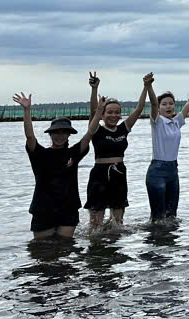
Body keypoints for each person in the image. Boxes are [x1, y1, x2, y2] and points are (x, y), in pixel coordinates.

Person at [19, 91, 100, 239]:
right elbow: (30, 136)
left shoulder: (73, 153)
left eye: (64, 132)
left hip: (68, 208)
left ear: (69, 134)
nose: (59, 136)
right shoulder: (40, 154)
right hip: (43, 208)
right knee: (42, 250)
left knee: (65, 248)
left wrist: (99, 112)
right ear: (50, 134)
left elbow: (90, 134)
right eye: (56, 132)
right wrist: (27, 110)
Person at [84, 70, 153, 230]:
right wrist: (94, 89)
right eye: (109, 112)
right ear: (102, 115)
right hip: (99, 175)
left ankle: (115, 249)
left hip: (119, 174)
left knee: (118, 225)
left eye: (117, 112)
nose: (113, 115)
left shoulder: (123, 129)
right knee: (96, 226)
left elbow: (139, 109)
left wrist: (145, 87)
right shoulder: (96, 129)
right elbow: (93, 111)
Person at [146, 77, 189, 221]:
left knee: (172, 216)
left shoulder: (176, 122)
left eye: (171, 104)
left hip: (173, 171)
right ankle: (156, 241)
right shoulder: (157, 122)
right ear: (159, 108)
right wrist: (148, 86)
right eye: (164, 104)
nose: (168, 106)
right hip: (157, 172)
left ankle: (171, 243)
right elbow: (153, 103)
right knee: (158, 218)